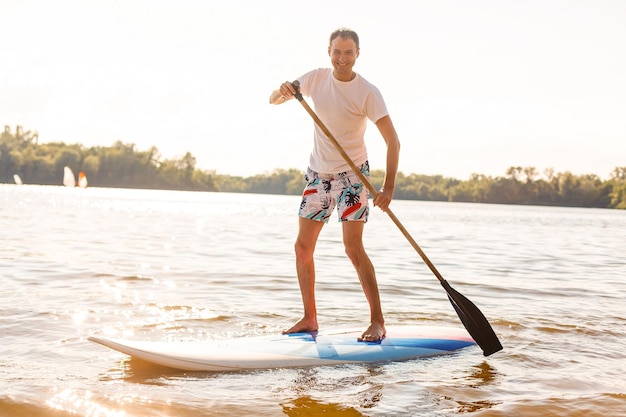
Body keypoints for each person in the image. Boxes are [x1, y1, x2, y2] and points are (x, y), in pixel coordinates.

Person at [269, 28, 400, 342]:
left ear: (357, 54)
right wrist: (283, 90)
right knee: (302, 248)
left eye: (349, 53)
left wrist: (388, 188)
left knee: (353, 249)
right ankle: (310, 318)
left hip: (353, 178)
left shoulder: (368, 91)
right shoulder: (315, 79)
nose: (343, 59)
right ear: (329, 52)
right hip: (318, 176)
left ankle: (377, 321)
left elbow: (393, 141)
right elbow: (273, 100)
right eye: (337, 52)